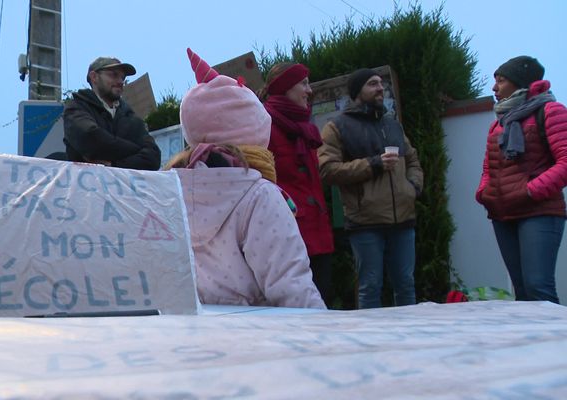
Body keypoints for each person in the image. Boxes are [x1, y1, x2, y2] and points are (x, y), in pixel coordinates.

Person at [165, 48, 325, 309]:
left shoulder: (168, 195)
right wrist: (326, 340)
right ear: (256, 128)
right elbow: (291, 287)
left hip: (196, 338)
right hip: (258, 337)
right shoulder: (259, 196)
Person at [318, 68, 423, 309]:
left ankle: (413, 341)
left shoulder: (393, 125)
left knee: (406, 285)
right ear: (357, 92)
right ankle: (372, 345)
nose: (379, 88)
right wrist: (373, 164)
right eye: (372, 84)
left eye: (380, 84)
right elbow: (327, 170)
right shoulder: (337, 127)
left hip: (403, 219)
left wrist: (413, 187)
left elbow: (413, 160)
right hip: (365, 222)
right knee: (370, 287)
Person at [476, 56, 567, 304]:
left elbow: (565, 162)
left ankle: (557, 343)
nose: (494, 88)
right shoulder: (498, 124)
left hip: (539, 210)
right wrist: (484, 192)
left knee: (539, 287)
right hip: (503, 213)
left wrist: (531, 191)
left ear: (521, 83)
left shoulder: (550, 111)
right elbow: (488, 166)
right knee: (522, 291)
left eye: (501, 80)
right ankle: (533, 344)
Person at [258, 63, 335, 306]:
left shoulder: (305, 129)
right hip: (289, 236)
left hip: (318, 232)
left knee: (322, 300)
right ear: (285, 88)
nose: (309, 90)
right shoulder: (263, 127)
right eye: (303, 83)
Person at [63, 56, 161, 170]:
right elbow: (91, 139)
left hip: (122, 187)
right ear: (94, 77)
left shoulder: (131, 118)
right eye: (113, 75)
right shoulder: (76, 108)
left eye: (122, 77)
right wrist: (136, 150)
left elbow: (153, 158)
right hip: (85, 185)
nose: (120, 81)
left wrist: (114, 166)